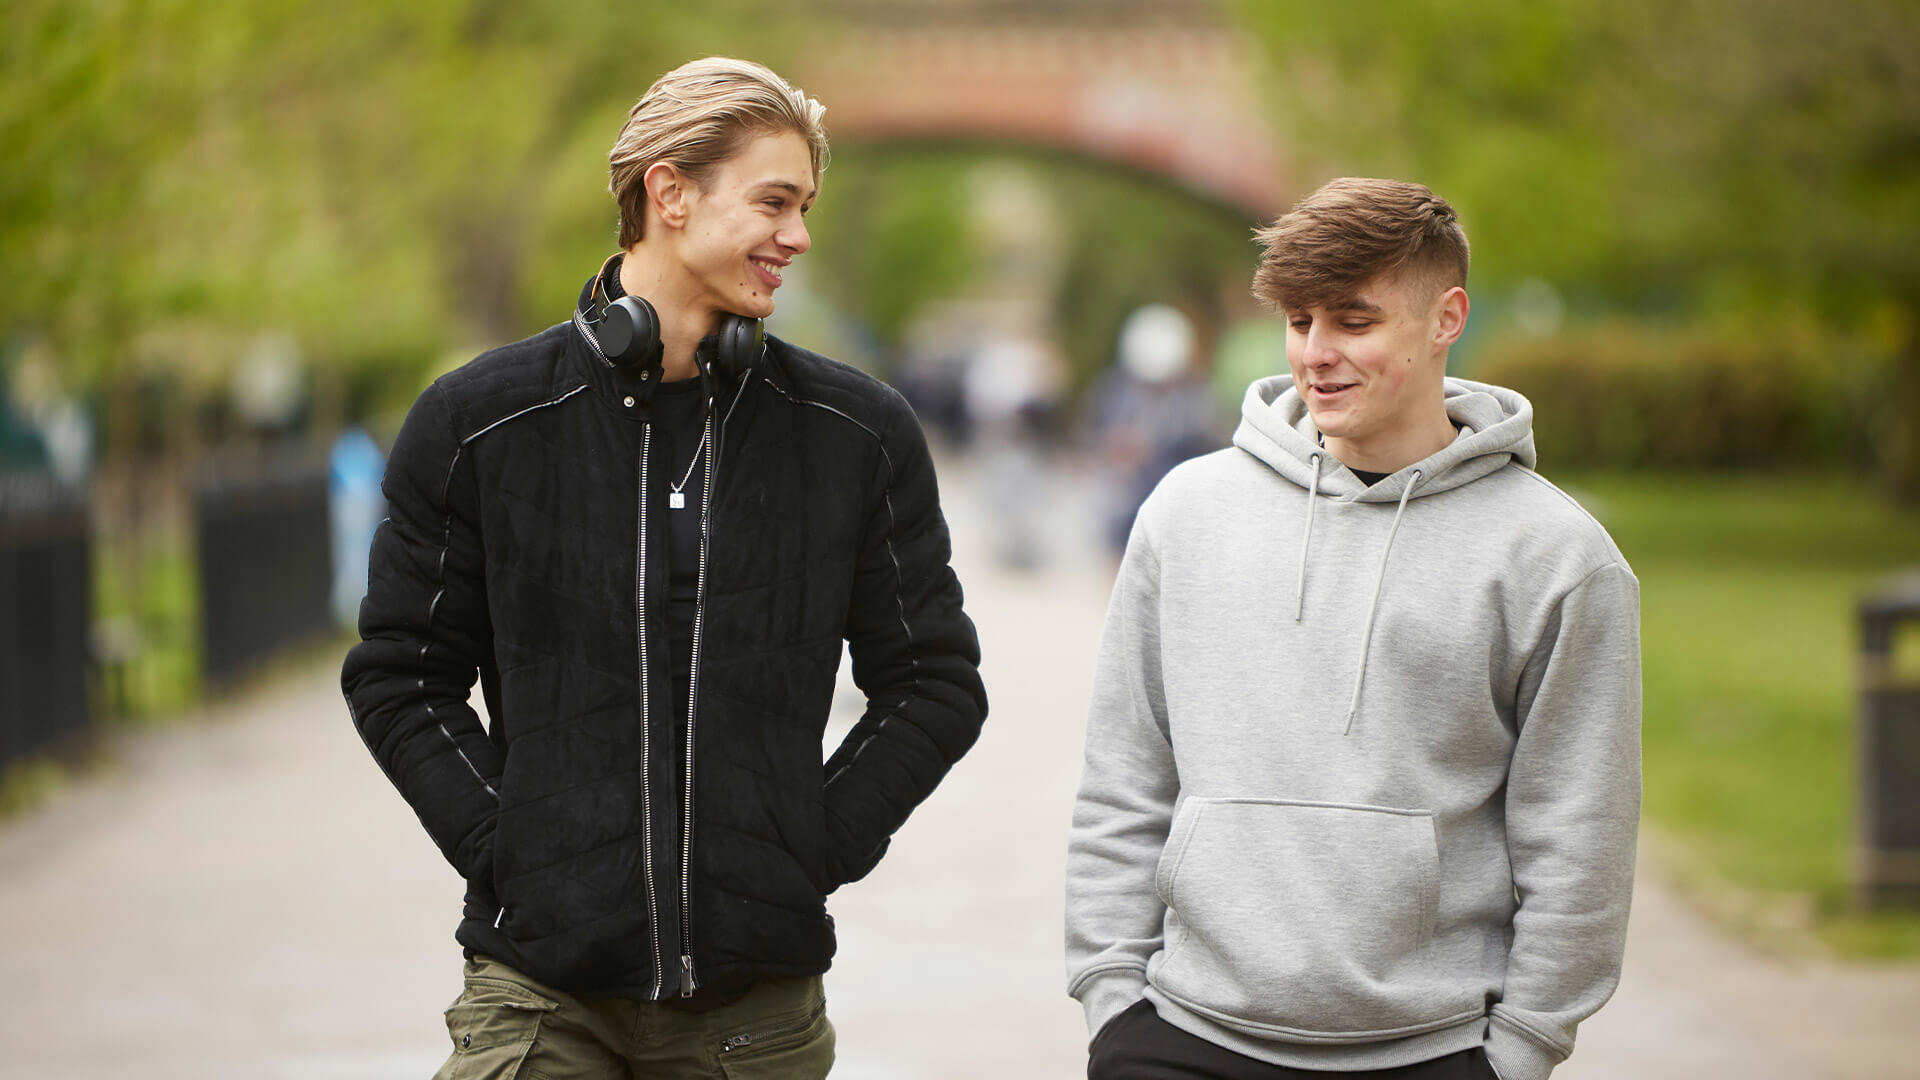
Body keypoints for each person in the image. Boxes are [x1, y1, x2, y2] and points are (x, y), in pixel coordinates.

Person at [342, 57, 987, 1079]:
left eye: (806, 207)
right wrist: (514, 853)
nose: (798, 236)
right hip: (536, 998)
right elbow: (399, 678)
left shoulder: (856, 435)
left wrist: (804, 848)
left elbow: (935, 683)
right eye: (774, 202)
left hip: (754, 1021)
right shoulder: (479, 424)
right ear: (670, 192)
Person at [1065, 178, 1640, 1080]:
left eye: (1354, 321)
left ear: (1447, 319)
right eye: (1300, 322)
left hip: (1435, 1049)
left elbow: (1579, 837)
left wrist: (1522, 1048)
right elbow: (1123, 779)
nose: (1317, 354)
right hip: (1180, 1037)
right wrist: (1112, 998)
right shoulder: (1185, 515)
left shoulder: (1557, 557)